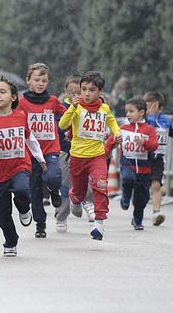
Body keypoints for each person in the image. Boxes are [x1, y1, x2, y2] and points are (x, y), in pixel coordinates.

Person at [0, 79, 46, 257]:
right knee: (2, 214)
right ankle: (10, 240)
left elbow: (29, 139)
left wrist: (39, 157)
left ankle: (24, 208)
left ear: (13, 96)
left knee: (23, 190)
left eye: (2, 92)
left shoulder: (21, 116)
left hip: (20, 165)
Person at [58, 71, 122, 240]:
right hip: (77, 156)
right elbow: (62, 124)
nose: (86, 93)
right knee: (78, 190)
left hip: (97, 155)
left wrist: (116, 133)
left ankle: (99, 223)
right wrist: (72, 107)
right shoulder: (77, 107)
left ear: (99, 92)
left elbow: (112, 122)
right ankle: (75, 199)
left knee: (100, 185)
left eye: (91, 90)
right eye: (83, 89)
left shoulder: (104, 108)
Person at [17, 63, 67, 238]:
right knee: (35, 190)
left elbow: (67, 115)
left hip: (49, 149)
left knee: (53, 176)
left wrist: (72, 122)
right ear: (28, 80)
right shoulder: (21, 103)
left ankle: (54, 190)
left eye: (44, 80)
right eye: (36, 80)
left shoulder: (53, 101)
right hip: (30, 154)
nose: (40, 83)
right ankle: (40, 223)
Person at [105, 98, 158, 230]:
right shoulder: (123, 128)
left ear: (141, 112)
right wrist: (104, 152)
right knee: (128, 179)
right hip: (127, 164)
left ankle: (137, 219)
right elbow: (112, 141)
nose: (128, 114)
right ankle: (126, 196)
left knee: (142, 198)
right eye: (126, 111)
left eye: (131, 111)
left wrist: (144, 143)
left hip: (144, 169)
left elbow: (154, 145)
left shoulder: (149, 129)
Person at [54, 74, 95, 232]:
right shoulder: (60, 107)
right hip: (65, 150)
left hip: (85, 151)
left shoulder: (90, 107)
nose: (76, 95)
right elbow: (58, 127)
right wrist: (65, 133)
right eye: (72, 92)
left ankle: (87, 202)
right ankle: (61, 216)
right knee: (64, 185)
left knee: (90, 179)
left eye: (80, 92)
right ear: (66, 91)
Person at [143, 91, 173, 226]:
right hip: (144, 157)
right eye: (146, 107)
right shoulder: (145, 120)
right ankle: (139, 208)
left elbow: (172, 132)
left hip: (158, 158)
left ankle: (156, 213)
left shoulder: (165, 120)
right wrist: (147, 115)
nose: (149, 110)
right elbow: (142, 127)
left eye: (151, 107)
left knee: (156, 185)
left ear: (160, 108)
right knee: (143, 188)